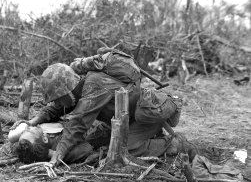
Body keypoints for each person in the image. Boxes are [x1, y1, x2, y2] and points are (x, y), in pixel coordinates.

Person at [12, 50, 197, 167]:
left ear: (67, 92)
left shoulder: (94, 86)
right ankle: (147, 136)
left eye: (59, 99)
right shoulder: (78, 91)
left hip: (148, 114)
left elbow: (77, 123)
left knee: (125, 150)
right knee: (101, 141)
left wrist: (57, 155)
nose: (58, 104)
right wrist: (32, 121)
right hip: (126, 119)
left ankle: (174, 145)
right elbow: (55, 108)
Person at [14, 123, 95, 164]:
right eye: (30, 131)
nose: (28, 127)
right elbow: (87, 148)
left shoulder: (40, 137)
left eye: (24, 132)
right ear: (45, 139)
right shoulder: (59, 149)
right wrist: (52, 154)